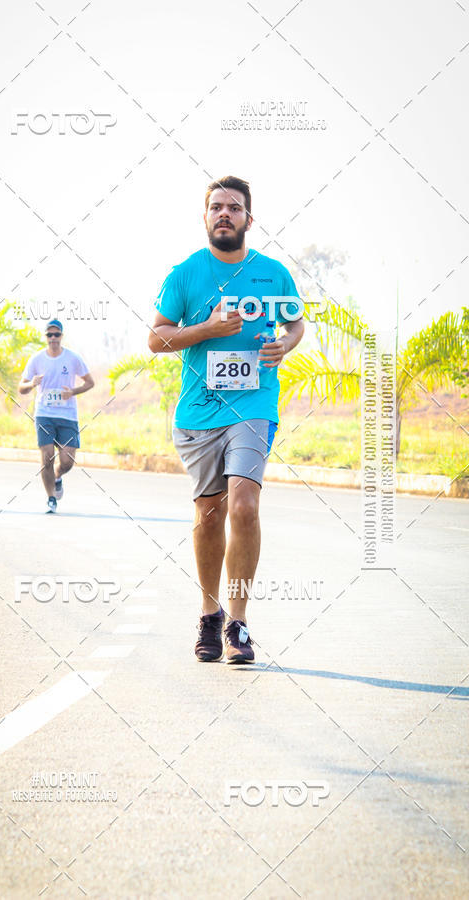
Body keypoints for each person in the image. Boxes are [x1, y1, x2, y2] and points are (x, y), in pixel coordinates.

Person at [148, 176, 304, 663]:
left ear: (248, 220)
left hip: (254, 405)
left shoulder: (274, 273)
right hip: (198, 411)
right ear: (205, 217)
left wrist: (286, 343)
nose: (224, 214)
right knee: (209, 515)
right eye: (216, 207)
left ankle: (238, 623)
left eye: (233, 208)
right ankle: (209, 614)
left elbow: (295, 321)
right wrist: (209, 329)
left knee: (243, 507)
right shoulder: (184, 275)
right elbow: (157, 340)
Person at [19, 319, 94, 512]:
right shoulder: (37, 359)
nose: (53, 338)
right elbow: (22, 388)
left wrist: (73, 392)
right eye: (49, 335)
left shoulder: (72, 358)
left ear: (61, 336)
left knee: (67, 461)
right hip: (44, 414)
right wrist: (32, 383)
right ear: (45, 337)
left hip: (68, 415)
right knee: (47, 457)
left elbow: (90, 382)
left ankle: (58, 476)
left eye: (56, 335)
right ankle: (51, 497)